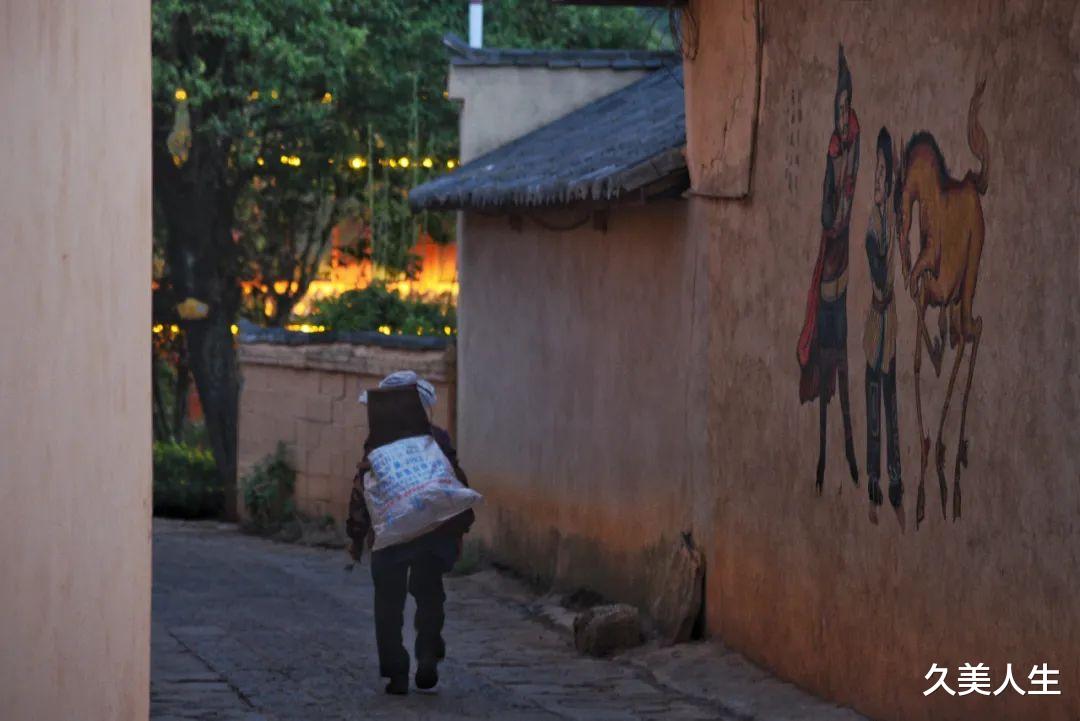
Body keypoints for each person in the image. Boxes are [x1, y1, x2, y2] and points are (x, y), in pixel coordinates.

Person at [346, 370, 475, 695]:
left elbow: (362, 493)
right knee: (430, 592)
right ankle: (428, 651)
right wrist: (458, 531)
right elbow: (455, 482)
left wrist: (356, 536)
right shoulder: (437, 440)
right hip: (435, 532)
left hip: (390, 538)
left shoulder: (377, 446)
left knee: (388, 603)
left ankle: (397, 673)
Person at [797, 44, 861, 493]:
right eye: (837, 108)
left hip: (846, 283)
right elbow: (827, 214)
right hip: (828, 282)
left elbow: (846, 211)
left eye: (845, 107)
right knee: (825, 367)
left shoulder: (855, 153)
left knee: (846, 370)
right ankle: (823, 457)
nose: (841, 116)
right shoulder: (833, 153)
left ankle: (851, 455)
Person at [863, 128, 904, 526]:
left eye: (882, 176)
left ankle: (895, 480)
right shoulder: (874, 226)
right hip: (875, 326)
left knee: (891, 409)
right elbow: (876, 263)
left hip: (888, 324)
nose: (877, 182)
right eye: (875, 174)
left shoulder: (892, 219)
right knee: (874, 410)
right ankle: (874, 482)